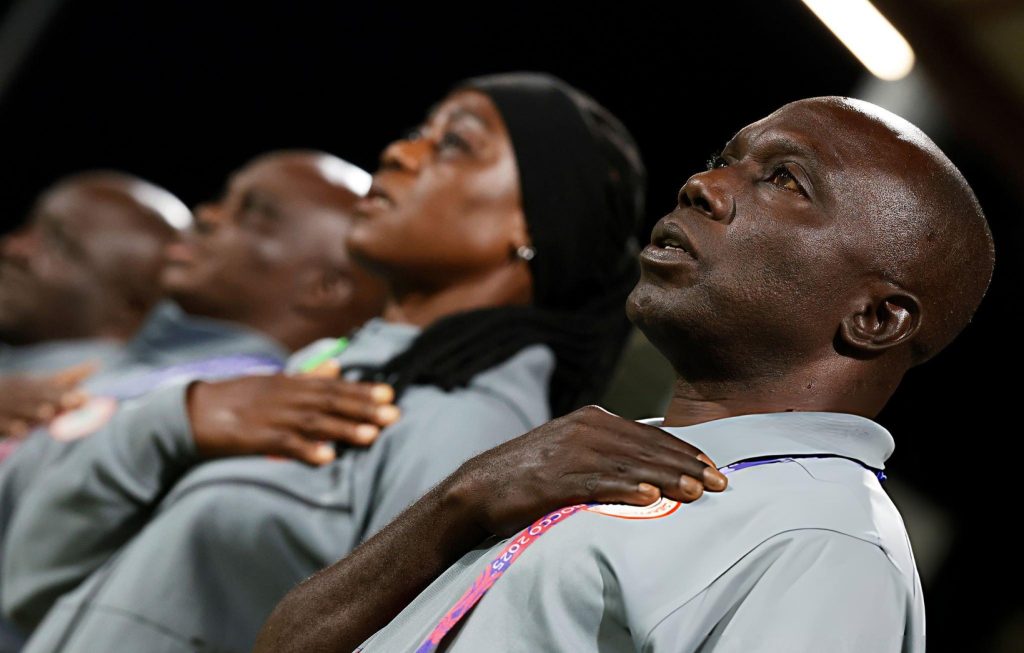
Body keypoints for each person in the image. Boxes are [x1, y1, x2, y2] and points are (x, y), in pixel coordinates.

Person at [257, 97, 994, 653]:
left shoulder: (825, 543)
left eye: (784, 180)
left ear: (877, 318)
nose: (703, 184)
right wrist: (462, 498)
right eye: (725, 156)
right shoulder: (602, 453)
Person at [3, 72, 646, 653]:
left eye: (455, 144)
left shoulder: (470, 429)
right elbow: (32, 586)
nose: (398, 153)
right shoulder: (332, 372)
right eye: (420, 132)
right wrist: (172, 421)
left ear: (530, 224)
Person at [0, 151, 392, 648]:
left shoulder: (272, 414)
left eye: (253, 214)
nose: (204, 216)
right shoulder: (141, 367)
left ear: (324, 286)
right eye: (224, 199)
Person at [0, 172, 189, 437]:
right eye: (29, 225)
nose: (13, 248)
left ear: (130, 307)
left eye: (58, 245)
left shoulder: (126, 408)